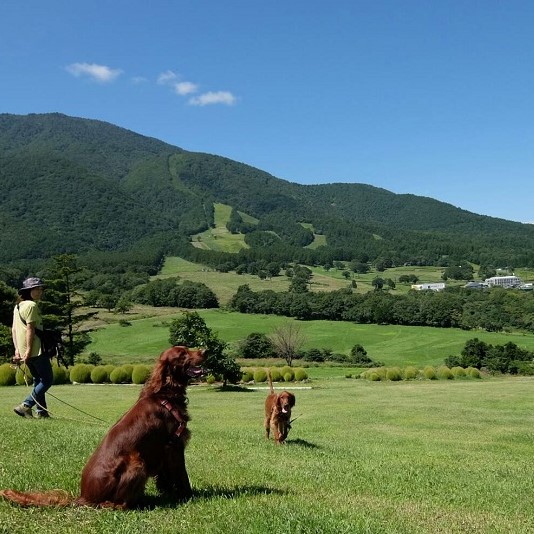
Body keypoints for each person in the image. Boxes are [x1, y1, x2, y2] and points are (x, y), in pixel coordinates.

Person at [11, 277, 53, 419]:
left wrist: (18, 350)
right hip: (35, 350)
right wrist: (29, 350)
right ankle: (26, 405)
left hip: (23, 351)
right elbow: (30, 329)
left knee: (37, 380)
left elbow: (14, 330)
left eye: (41, 289)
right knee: (47, 380)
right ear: (29, 291)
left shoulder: (18, 307)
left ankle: (41, 412)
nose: (41, 291)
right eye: (37, 289)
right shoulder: (31, 306)